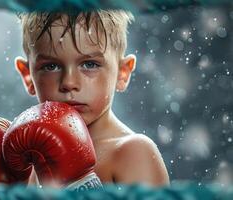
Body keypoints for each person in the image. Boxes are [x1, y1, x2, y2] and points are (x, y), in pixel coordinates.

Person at [13, 9, 170, 187]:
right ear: (28, 76)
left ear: (122, 73)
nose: (69, 82)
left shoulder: (132, 153)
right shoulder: (35, 163)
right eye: (51, 67)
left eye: (90, 64)